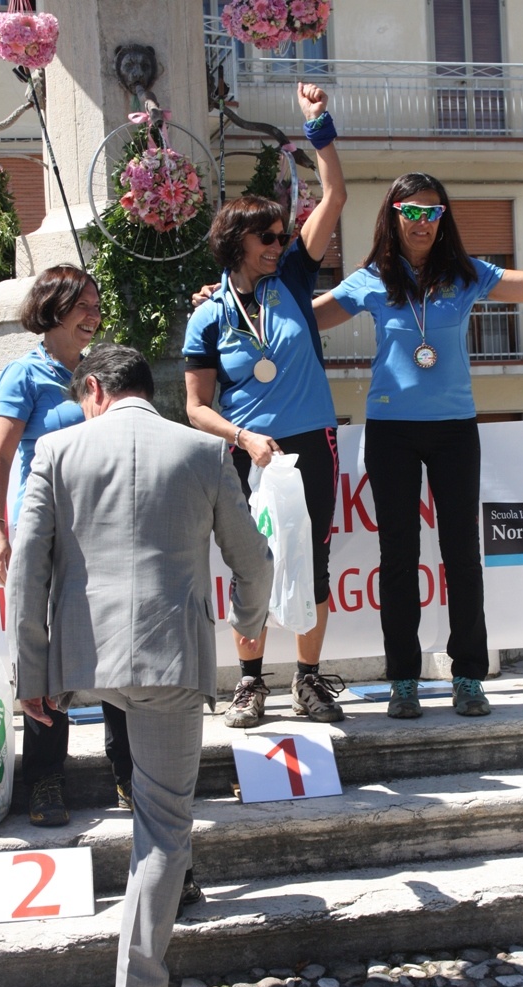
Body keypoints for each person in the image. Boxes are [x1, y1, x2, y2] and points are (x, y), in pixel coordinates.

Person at [6, 343, 273, 987]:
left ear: (94, 389)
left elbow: (27, 567)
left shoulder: (54, 451)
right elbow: (253, 559)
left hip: (82, 657)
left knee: (158, 824)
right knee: (163, 827)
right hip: (169, 659)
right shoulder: (204, 451)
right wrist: (247, 624)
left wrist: (31, 673)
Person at [312, 171, 523, 720]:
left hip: (453, 430)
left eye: (433, 213)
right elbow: (302, 320)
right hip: (391, 431)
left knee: (462, 556)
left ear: (442, 219)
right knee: (398, 558)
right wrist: (230, 299)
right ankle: (403, 680)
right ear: (394, 215)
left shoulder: (465, 274)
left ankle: (468, 676)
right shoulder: (371, 279)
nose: (422, 222)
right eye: (412, 211)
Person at [184, 82, 347, 730]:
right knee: (251, 568)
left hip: (311, 441)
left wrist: (319, 125)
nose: (280, 243)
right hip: (247, 452)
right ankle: (249, 684)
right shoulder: (208, 315)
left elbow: (334, 196)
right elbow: (196, 408)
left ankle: (308, 681)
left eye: (283, 234)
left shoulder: (296, 278)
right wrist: (244, 438)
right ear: (237, 243)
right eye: (268, 237)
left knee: (313, 563)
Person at [0, 265, 134, 824]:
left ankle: (129, 774)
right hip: (43, 532)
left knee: (116, 650)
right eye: (82, 305)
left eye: (96, 305)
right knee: (43, 657)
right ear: (52, 309)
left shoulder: (104, 371)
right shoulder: (24, 374)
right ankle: (45, 779)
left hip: (104, 532)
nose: (94, 315)